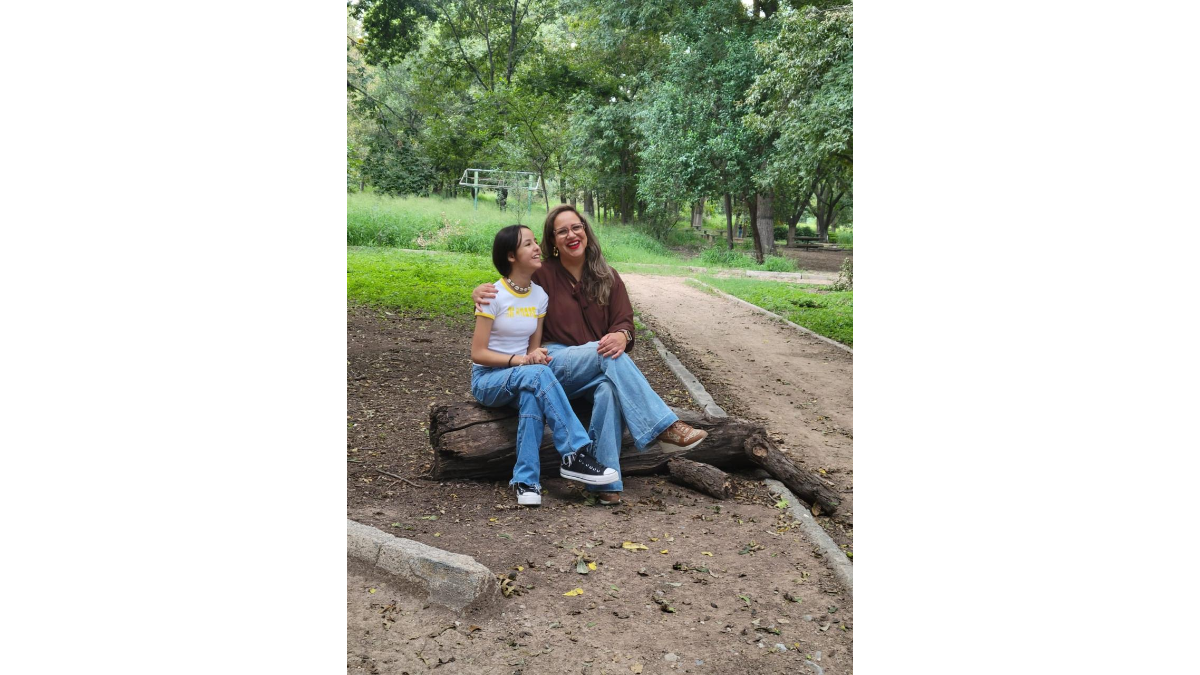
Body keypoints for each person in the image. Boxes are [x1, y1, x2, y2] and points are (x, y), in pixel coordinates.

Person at [473, 206, 707, 505]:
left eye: (576, 227)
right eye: (562, 231)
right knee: (605, 355)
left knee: (609, 387)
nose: (571, 235)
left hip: (598, 367)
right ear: (553, 241)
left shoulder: (608, 276)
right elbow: (508, 285)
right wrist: (478, 292)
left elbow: (625, 322)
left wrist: (622, 335)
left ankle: (605, 481)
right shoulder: (542, 274)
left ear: (586, 231)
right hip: (554, 362)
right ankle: (664, 428)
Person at [470, 224, 618, 506]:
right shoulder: (492, 295)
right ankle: (575, 454)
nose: (537, 247)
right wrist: (522, 361)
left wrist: (533, 357)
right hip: (489, 379)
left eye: (535, 242)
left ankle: (526, 482)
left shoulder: (539, 296)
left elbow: (533, 349)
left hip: (524, 375)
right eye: (528, 244)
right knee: (536, 375)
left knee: (532, 394)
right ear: (511, 256)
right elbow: (478, 353)